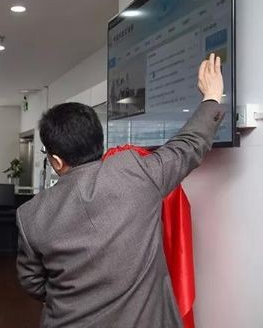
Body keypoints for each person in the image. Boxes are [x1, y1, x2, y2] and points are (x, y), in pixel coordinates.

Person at [16, 53, 225, 327]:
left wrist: (74, 294)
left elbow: (32, 282)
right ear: (98, 141)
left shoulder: (30, 215)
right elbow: (188, 145)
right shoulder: (134, 172)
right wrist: (211, 97)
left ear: (56, 160)